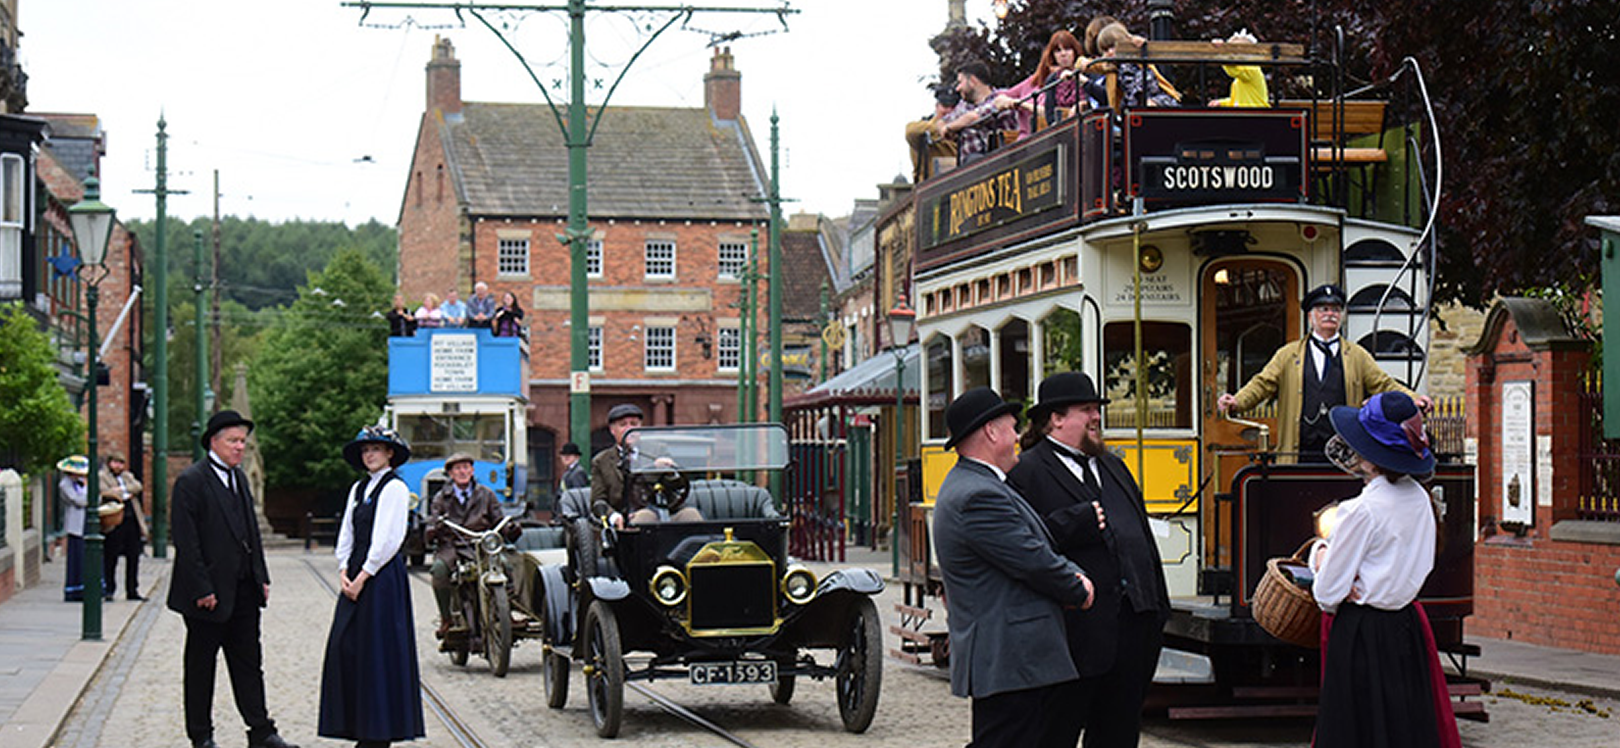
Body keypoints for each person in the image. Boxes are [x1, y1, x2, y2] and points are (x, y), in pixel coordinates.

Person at [1007, 373, 1170, 748]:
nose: (1096, 417)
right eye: (1086, 410)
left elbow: (1142, 540)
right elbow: (1020, 547)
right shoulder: (1028, 472)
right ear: (1055, 418)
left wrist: (1157, 610)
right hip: (1072, 639)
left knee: (1118, 736)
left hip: (1133, 633)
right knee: (1055, 735)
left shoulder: (1114, 467)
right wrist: (1070, 525)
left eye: (1097, 409)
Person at [931, 386, 1096, 748]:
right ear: (991, 432)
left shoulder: (980, 485)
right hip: (1009, 658)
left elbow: (1033, 548)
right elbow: (1031, 558)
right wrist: (1076, 584)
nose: (1019, 435)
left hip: (1014, 660)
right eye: (1010, 426)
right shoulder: (978, 495)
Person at [1308, 392, 1461, 747]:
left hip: (1362, 634)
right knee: (1403, 730)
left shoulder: (1359, 510)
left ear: (1368, 454)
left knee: (1359, 733)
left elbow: (1327, 594)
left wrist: (1319, 554)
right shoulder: (1421, 499)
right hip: (1406, 628)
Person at [167, 411, 298, 748]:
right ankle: (202, 736)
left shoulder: (239, 478)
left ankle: (261, 731)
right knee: (201, 668)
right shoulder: (191, 481)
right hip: (207, 595)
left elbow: (250, 532)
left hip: (243, 590)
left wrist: (261, 575)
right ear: (213, 442)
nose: (240, 447)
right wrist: (202, 588)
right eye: (233, 441)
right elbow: (186, 541)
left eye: (243, 441)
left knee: (249, 664)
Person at [1217, 283, 1431, 461]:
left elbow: (1384, 384)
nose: (1330, 314)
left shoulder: (1356, 355)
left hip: (1343, 450)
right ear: (1310, 316)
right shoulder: (1288, 354)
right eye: (1323, 309)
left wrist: (1414, 398)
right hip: (1299, 451)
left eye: (1335, 309)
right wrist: (1237, 401)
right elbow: (1262, 384)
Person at [317, 425, 425, 748]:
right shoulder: (358, 488)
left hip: (380, 580)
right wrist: (343, 570)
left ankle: (378, 732)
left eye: (375, 449)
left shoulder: (395, 489)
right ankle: (357, 723)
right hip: (354, 577)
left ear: (389, 453)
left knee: (378, 652)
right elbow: (347, 532)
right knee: (346, 647)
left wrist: (364, 575)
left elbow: (388, 538)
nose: (370, 455)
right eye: (365, 451)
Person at [424, 451, 510, 638]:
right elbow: (433, 520)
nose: (462, 471)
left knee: (506, 565)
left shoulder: (486, 494)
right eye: (457, 468)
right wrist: (433, 528)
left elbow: (498, 519)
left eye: (465, 467)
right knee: (439, 571)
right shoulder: (441, 497)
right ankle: (447, 618)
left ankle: (506, 613)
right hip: (451, 546)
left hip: (480, 544)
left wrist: (509, 528)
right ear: (450, 474)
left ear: (472, 470)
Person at [590, 403, 699, 527]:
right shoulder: (601, 461)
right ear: (612, 430)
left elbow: (677, 486)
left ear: (641, 427)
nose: (629, 429)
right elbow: (598, 501)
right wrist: (614, 516)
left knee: (691, 514)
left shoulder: (657, 450)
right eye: (623, 425)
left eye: (634, 424)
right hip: (627, 516)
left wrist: (669, 471)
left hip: (664, 511)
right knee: (645, 517)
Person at [931, 61, 1019, 166]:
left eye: (960, 82)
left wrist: (950, 127)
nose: (957, 88)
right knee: (972, 160)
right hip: (969, 169)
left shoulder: (1001, 97)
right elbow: (942, 121)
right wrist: (943, 128)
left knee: (976, 159)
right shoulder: (963, 106)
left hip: (1005, 161)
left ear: (972, 81)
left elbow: (974, 117)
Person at [1005, 30, 1089, 137]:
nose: (1063, 54)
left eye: (1067, 49)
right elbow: (1049, 113)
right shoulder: (1052, 79)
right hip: (1061, 130)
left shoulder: (1087, 73)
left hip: (1085, 126)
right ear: (1053, 55)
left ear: (1074, 51)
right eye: (1058, 51)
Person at [1095, 23, 1181, 109]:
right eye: (1105, 50)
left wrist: (1138, 43)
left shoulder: (1134, 59)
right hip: (1136, 103)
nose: (1109, 52)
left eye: (1113, 46)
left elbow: (1147, 84)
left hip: (1157, 99)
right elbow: (1092, 64)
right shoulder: (1113, 67)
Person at [99, 452, 148, 601]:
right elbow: (104, 492)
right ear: (109, 463)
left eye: (121, 463)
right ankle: (109, 589)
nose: (118, 466)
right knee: (111, 556)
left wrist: (119, 490)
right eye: (115, 462)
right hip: (114, 521)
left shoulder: (127, 476)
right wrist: (124, 492)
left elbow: (138, 486)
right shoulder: (102, 476)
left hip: (131, 521)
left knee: (133, 556)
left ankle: (132, 589)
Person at [904, 84, 962, 183]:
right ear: (937, 107)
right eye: (945, 106)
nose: (949, 111)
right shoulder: (924, 129)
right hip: (932, 189)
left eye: (953, 107)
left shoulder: (964, 127)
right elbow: (910, 131)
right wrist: (941, 128)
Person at [57, 455, 90, 602]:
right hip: (76, 523)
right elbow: (77, 500)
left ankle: (87, 587)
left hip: (87, 522)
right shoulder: (65, 484)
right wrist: (91, 498)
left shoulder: (83, 483)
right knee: (76, 556)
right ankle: (74, 589)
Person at [1209, 30, 1269, 107]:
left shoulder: (1252, 68)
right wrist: (1221, 102)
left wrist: (1222, 50)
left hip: (1255, 114)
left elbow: (1232, 70)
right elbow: (1238, 100)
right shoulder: (1242, 77)